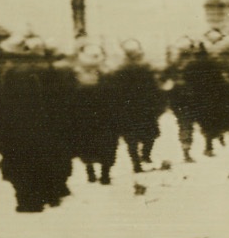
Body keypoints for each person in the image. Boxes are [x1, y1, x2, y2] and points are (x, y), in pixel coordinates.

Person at [0, 33, 73, 212]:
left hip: (20, 127)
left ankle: (29, 201)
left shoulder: (13, 71)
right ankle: (50, 194)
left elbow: (7, 103)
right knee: (42, 159)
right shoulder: (45, 67)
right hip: (44, 125)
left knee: (22, 164)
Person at [67, 39, 120, 184]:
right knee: (105, 145)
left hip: (89, 117)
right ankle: (103, 173)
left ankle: (94, 171)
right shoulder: (107, 72)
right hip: (101, 116)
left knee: (89, 144)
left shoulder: (77, 74)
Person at [111, 40, 167, 173]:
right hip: (145, 107)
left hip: (127, 108)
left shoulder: (119, 69)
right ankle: (145, 156)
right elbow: (155, 87)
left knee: (131, 138)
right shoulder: (146, 67)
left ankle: (136, 163)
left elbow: (113, 90)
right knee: (150, 134)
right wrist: (159, 105)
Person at [164, 37, 202, 163]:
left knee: (184, 124)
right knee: (188, 124)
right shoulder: (195, 62)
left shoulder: (173, 63)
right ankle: (190, 149)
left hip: (178, 98)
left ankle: (186, 150)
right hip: (193, 97)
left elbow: (165, 79)